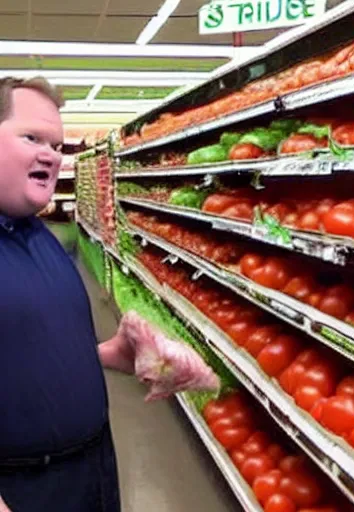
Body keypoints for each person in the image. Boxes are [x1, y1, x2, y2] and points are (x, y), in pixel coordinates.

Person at [0, 77, 131, 511]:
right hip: (26, 489)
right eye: (31, 137)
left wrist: (107, 354)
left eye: (57, 146)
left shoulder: (42, 235)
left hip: (91, 473)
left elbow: (23, 346)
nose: (50, 156)